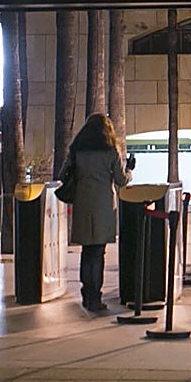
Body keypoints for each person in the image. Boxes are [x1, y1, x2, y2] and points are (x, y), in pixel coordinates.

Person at [59, 113, 132, 313]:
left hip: (83, 204)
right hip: (103, 206)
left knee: (87, 251)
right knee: (98, 252)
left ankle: (86, 292)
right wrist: (130, 171)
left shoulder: (77, 150)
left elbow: (62, 175)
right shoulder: (110, 151)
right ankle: (95, 297)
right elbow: (121, 180)